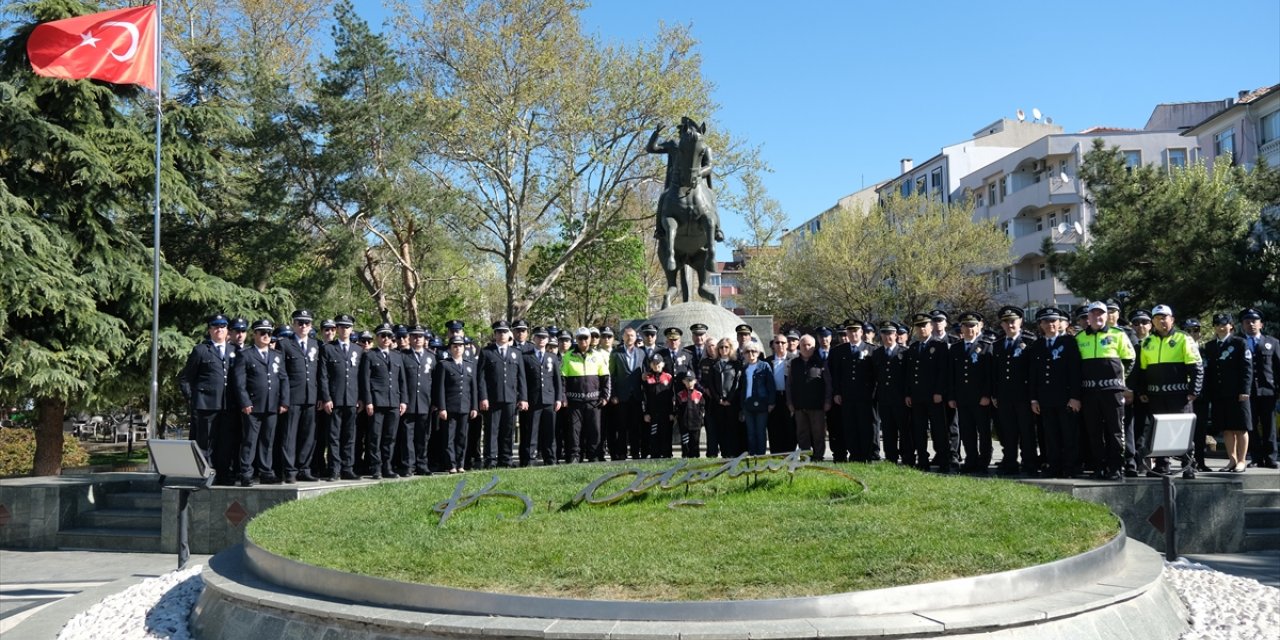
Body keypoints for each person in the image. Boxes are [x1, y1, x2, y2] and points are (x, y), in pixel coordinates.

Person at [1132, 304, 1202, 479]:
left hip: (1179, 395)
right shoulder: (1147, 342)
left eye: (1164, 317)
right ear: (1153, 322)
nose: (1161, 321)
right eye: (1157, 318)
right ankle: (1162, 466)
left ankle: (1188, 466)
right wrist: (1142, 390)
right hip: (1156, 395)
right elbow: (1142, 370)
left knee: (1182, 430)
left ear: (1172, 319)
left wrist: (1194, 390)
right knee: (1159, 432)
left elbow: (1196, 367)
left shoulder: (1183, 338)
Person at [230, 320, 289, 487]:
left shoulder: (276, 355)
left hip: (272, 405)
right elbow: (239, 382)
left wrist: (284, 401)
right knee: (249, 440)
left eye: (268, 333)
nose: (266, 336)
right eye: (262, 333)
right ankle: (246, 473)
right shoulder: (246, 354)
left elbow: (283, 379)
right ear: (254, 334)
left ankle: (266, 472)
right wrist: (245, 402)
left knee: (268, 440)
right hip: (253, 406)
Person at [179, 313, 236, 485]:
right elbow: (185, 378)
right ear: (210, 330)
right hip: (206, 405)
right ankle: (206, 474)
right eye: (216, 327)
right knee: (206, 443)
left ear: (227, 330)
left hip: (227, 405)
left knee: (225, 442)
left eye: (223, 327)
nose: (219, 330)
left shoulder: (235, 351)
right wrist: (193, 398)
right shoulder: (201, 350)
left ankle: (224, 474)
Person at [1029, 308, 1082, 478]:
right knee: (1050, 435)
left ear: (1060, 323)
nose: (1050, 324)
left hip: (1065, 397)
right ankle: (1053, 466)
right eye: (1046, 322)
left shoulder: (1068, 342)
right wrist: (1034, 399)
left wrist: (1075, 396)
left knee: (1069, 435)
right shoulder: (1037, 345)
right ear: (1041, 325)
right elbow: (1033, 374)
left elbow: (1075, 371)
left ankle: (1070, 467)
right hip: (1045, 398)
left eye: (1054, 321)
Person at [990, 306, 1037, 475]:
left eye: (1013, 321)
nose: (1010, 325)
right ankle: (1010, 462)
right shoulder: (997, 345)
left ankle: (1029, 463)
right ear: (1002, 325)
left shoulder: (1030, 342)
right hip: (1004, 396)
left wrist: (1033, 396)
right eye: (1006, 322)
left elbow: (1033, 372)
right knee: (1008, 431)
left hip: (1024, 396)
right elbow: (995, 372)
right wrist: (994, 393)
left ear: (1020, 322)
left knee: (1026, 431)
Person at [1204, 313, 1253, 472]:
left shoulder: (1239, 343)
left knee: (1240, 427)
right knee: (1226, 428)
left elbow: (1247, 369)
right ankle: (1232, 460)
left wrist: (1244, 390)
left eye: (1224, 324)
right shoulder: (1210, 346)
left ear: (1231, 325)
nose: (1220, 327)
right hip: (1219, 393)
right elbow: (1211, 371)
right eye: (1217, 324)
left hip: (1237, 393)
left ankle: (1242, 460)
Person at [906, 312, 954, 473]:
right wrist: (908, 393)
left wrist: (939, 391)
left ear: (931, 326)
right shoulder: (913, 348)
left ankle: (944, 461)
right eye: (918, 327)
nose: (921, 329)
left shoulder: (939, 346)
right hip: (917, 396)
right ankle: (923, 460)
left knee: (939, 430)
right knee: (919, 430)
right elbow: (909, 373)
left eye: (924, 325)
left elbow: (943, 371)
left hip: (934, 396)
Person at [276, 310, 320, 483]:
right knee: (289, 436)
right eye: (300, 323)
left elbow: (318, 373)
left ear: (311, 326)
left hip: (311, 396)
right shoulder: (285, 344)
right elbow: (282, 373)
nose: (303, 326)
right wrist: (284, 398)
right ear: (294, 325)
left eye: (307, 323)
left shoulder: (316, 345)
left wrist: (320, 396)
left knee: (308, 435)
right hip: (293, 396)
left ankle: (304, 468)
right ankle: (290, 470)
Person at [477, 320, 527, 469]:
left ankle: (506, 459)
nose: (502, 334)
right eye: (499, 332)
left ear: (509, 334)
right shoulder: (486, 352)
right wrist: (483, 397)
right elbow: (481, 378)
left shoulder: (516, 353)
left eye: (505, 332)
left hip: (511, 398)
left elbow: (521, 377)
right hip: (492, 399)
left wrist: (523, 398)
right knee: (491, 430)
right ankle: (490, 460)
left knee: (508, 430)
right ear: (495, 334)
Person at [317, 314, 362, 480]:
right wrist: (327, 398)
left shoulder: (358, 350)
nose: (344, 330)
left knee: (349, 436)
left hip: (352, 398)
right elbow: (323, 376)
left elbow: (361, 377)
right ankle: (334, 469)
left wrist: (361, 398)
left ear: (351, 329)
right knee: (333, 437)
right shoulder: (328, 348)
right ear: (337, 329)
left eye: (347, 327)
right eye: (341, 327)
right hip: (334, 399)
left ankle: (347, 467)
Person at [825, 319, 877, 462]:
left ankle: (866, 455)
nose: (853, 334)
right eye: (850, 331)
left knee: (865, 426)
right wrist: (836, 392)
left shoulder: (872, 350)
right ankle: (854, 454)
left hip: (865, 397)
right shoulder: (838, 351)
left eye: (856, 331)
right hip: (846, 396)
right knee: (850, 426)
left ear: (861, 332)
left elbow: (875, 376)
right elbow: (835, 374)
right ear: (847, 333)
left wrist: (872, 394)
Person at [359, 323, 406, 479]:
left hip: (394, 401)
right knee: (375, 436)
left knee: (390, 436)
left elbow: (401, 380)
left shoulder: (397, 356)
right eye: (382, 336)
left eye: (389, 336)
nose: (386, 339)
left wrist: (403, 400)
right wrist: (369, 401)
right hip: (377, 402)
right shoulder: (370, 355)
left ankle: (387, 466)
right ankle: (376, 468)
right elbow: (365, 380)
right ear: (377, 338)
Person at [949, 312, 993, 474]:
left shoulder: (987, 346)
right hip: (962, 397)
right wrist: (952, 396)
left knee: (983, 431)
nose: (969, 329)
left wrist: (987, 395)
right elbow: (952, 375)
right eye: (966, 325)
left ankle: (984, 460)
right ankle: (971, 459)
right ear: (961, 328)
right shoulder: (956, 348)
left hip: (980, 398)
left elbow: (990, 375)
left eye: (972, 325)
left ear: (978, 327)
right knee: (967, 431)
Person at [562, 327, 611, 463]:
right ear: (576, 340)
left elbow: (605, 377)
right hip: (574, 401)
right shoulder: (568, 355)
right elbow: (563, 380)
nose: (583, 341)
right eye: (580, 338)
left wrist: (605, 396)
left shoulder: (598, 355)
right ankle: (575, 456)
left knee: (595, 430)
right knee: (574, 431)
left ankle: (594, 456)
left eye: (586, 338)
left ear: (590, 339)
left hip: (594, 400)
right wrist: (564, 397)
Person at [1241, 308, 1279, 468]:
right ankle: (1256, 457)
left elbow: (1278, 366)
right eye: (1247, 322)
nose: (1251, 324)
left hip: (1267, 390)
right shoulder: (1239, 343)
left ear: (1261, 324)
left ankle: (1271, 457)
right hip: (1248, 392)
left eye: (1254, 321)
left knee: (1269, 425)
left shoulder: (1273, 342)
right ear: (1243, 325)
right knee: (1251, 425)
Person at [435, 335, 479, 473]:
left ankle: (460, 464)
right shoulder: (444, 364)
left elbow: (474, 388)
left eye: (460, 346)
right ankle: (451, 464)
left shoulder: (470, 365)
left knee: (462, 437)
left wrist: (474, 407)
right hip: (450, 406)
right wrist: (442, 407)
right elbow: (440, 388)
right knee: (449, 437)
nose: (458, 348)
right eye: (455, 346)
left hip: (465, 406)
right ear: (450, 349)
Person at [521, 327, 563, 466]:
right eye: (539, 337)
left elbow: (557, 380)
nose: (541, 340)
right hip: (533, 401)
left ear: (547, 340)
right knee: (531, 432)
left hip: (549, 400)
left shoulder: (552, 357)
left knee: (550, 432)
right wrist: (524, 398)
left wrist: (558, 398)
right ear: (534, 339)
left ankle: (550, 459)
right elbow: (523, 380)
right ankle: (530, 459)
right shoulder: (526, 356)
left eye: (544, 337)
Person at [871, 321, 910, 466]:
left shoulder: (904, 352)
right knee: (888, 430)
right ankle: (891, 457)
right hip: (884, 398)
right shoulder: (877, 353)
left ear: (896, 335)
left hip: (900, 398)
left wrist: (907, 394)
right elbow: (875, 377)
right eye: (885, 333)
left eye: (891, 333)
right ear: (881, 335)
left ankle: (907, 457)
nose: (888, 337)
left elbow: (908, 376)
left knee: (904, 429)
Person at [401, 325, 437, 476]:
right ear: (409, 338)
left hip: (425, 402)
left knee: (423, 436)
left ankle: (422, 464)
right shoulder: (403, 356)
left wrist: (435, 402)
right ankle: (408, 465)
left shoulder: (431, 357)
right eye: (414, 336)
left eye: (420, 336)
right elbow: (400, 381)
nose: (417, 339)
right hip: (409, 402)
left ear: (424, 339)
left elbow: (434, 382)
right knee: (407, 436)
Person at [788, 335, 828, 461]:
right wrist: (789, 403)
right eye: (803, 345)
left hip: (817, 405)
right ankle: (805, 457)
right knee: (802, 434)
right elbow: (789, 384)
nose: (806, 347)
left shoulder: (821, 362)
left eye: (809, 345)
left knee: (818, 433)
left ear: (814, 346)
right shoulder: (794, 363)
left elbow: (828, 384)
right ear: (799, 346)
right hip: (799, 405)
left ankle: (818, 457)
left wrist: (827, 401)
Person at [702, 337, 743, 457]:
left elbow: (737, 382)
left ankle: (731, 454)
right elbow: (711, 384)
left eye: (726, 347)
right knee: (720, 429)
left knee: (731, 429)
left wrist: (729, 400)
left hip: (731, 403)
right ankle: (724, 454)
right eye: (721, 347)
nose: (724, 349)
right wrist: (718, 399)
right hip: (717, 403)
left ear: (730, 348)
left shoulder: (736, 364)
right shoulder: (713, 364)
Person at [609, 326, 645, 460]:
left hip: (636, 396)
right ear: (623, 337)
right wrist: (613, 394)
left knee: (635, 427)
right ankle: (622, 453)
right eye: (627, 335)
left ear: (635, 338)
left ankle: (635, 452)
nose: (630, 337)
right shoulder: (616, 353)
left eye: (632, 335)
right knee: (622, 426)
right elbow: (611, 376)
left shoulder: (641, 353)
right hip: (621, 396)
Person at [739, 341, 775, 456]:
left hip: (762, 403)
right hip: (747, 404)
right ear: (744, 354)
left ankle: (760, 456)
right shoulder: (744, 369)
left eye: (753, 351)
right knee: (750, 432)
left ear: (758, 353)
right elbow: (742, 388)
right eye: (747, 352)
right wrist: (742, 406)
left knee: (760, 431)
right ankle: (752, 454)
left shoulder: (764, 366)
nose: (751, 354)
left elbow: (771, 385)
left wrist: (771, 403)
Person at [641, 353, 677, 457]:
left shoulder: (668, 377)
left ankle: (667, 455)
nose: (656, 365)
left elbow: (673, 396)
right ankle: (654, 455)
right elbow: (644, 397)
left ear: (663, 364)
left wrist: (672, 412)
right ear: (651, 365)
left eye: (658, 363)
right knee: (654, 434)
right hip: (652, 413)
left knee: (666, 434)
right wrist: (646, 413)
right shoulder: (647, 378)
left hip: (666, 413)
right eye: (654, 363)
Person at [765, 334, 794, 453]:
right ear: (773, 345)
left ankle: (789, 454)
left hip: (789, 398)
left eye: (783, 342)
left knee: (790, 427)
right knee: (774, 427)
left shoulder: (794, 359)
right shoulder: (767, 361)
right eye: (777, 343)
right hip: (774, 398)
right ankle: (775, 454)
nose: (780, 345)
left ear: (787, 344)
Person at [673, 370, 703, 458]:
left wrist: (701, 418)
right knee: (685, 444)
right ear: (683, 382)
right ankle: (685, 458)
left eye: (691, 380)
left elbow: (702, 408)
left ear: (695, 381)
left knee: (695, 443)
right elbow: (677, 408)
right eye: (687, 380)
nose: (689, 382)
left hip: (696, 424)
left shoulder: (699, 395)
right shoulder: (680, 395)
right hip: (684, 424)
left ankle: (695, 458)